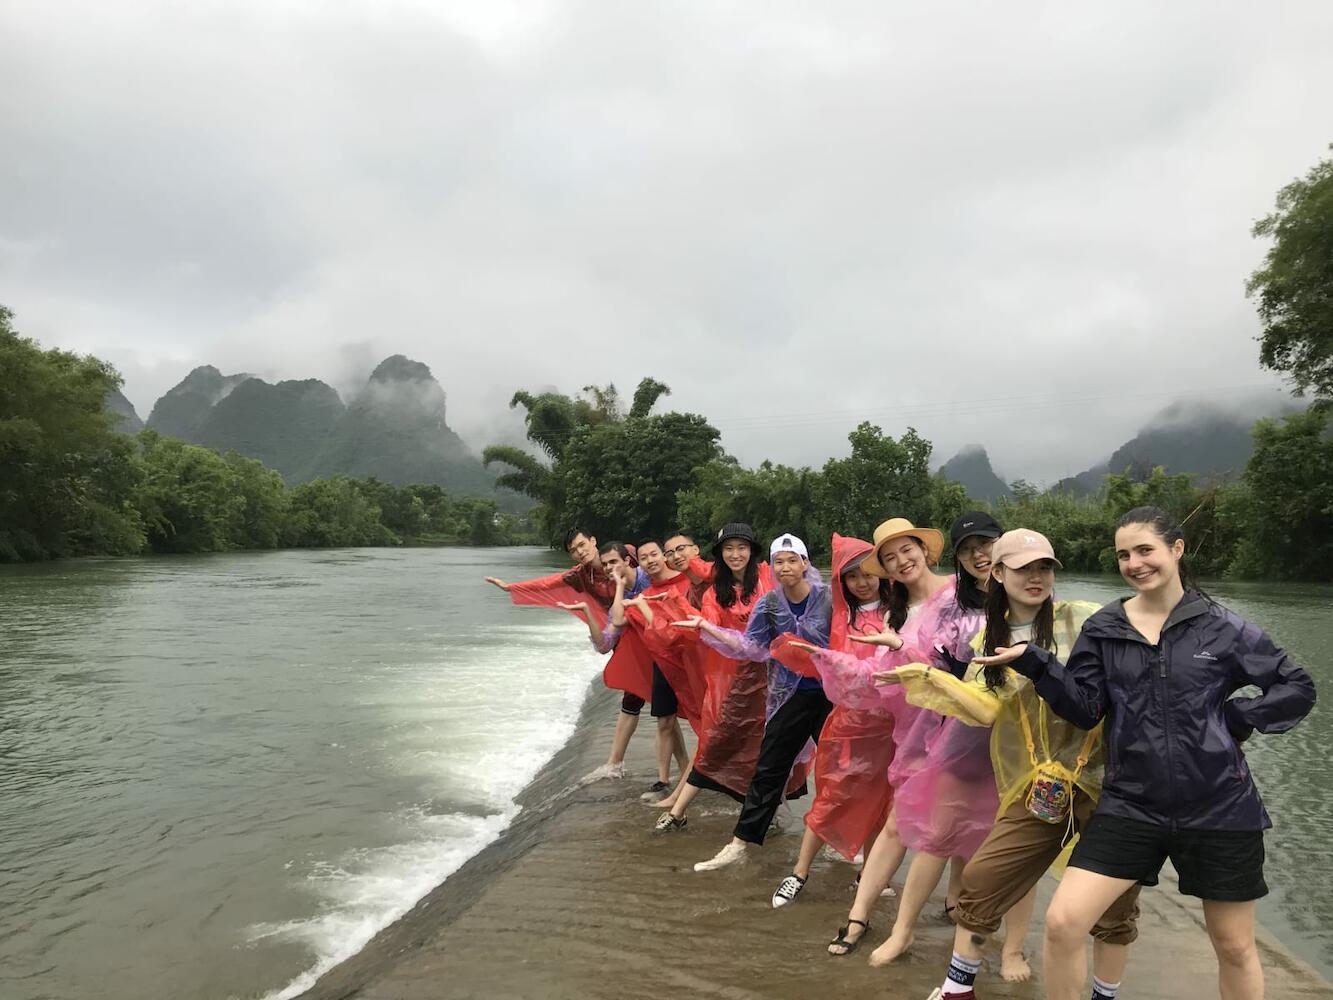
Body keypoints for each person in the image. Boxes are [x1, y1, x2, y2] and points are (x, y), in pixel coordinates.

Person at [986, 506, 1315, 1000]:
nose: (1135, 563)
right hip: (1132, 803)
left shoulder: (1222, 627)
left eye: (1145, 550)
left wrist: (1235, 719)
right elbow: (1085, 708)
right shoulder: (1106, 628)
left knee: (1234, 946)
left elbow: (1295, 686)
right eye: (1123, 555)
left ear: (1176, 549)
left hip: (1220, 806)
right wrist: (1038, 663)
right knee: (1063, 923)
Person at [894, 528, 1138, 1000]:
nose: (1036, 577)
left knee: (1115, 902)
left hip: (1106, 779)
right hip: (1041, 781)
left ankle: (1105, 994)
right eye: (1023, 568)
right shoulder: (991, 637)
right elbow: (985, 707)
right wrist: (925, 676)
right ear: (998, 574)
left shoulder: (1086, 621)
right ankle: (956, 986)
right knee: (986, 876)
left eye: (1044, 567)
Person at [789, 517, 993, 960]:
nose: (902, 561)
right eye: (890, 557)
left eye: (907, 550)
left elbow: (969, 664)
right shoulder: (893, 614)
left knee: (972, 823)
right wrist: (829, 659)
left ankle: (962, 916)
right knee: (899, 825)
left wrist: (905, 651)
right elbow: (879, 679)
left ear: (925, 549)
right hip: (918, 734)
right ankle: (860, 916)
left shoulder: (965, 596)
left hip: (971, 729)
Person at [680, 533, 835, 872]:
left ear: (806, 563)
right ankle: (740, 842)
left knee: (840, 771)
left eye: (793, 560)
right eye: (778, 561)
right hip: (789, 698)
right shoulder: (769, 605)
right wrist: (708, 626)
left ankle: (844, 843)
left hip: (831, 697)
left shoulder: (829, 599)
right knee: (768, 772)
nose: (785, 567)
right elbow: (749, 647)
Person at [766, 534, 897, 908]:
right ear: (842, 581)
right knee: (832, 796)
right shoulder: (841, 613)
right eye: (852, 575)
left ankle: (869, 873)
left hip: (890, 726)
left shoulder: (897, 614)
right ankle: (798, 872)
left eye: (869, 573)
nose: (862, 582)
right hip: (849, 724)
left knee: (880, 803)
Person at [646, 523, 781, 822]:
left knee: (765, 744)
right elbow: (707, 629)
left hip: (774, 676)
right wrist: (676, 604)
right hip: (734, 678)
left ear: (752, 551)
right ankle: (679, 811)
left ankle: (765, 813)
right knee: (715, 740)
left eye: (741, 547)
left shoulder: (767, 577)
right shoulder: (715, 593)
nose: (735, 554)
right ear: (720, 554)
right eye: (728, 549)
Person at [552, 541, 656, 783]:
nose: (608, 568)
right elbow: (604, 643)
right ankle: (619, 764)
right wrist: (587, 612)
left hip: (676, 649)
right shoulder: (617, 591)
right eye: (606, 564)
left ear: (628, 560)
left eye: (613, 562)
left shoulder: (650, 577)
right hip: (648, 654)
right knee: (662, 714)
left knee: (675, 714)